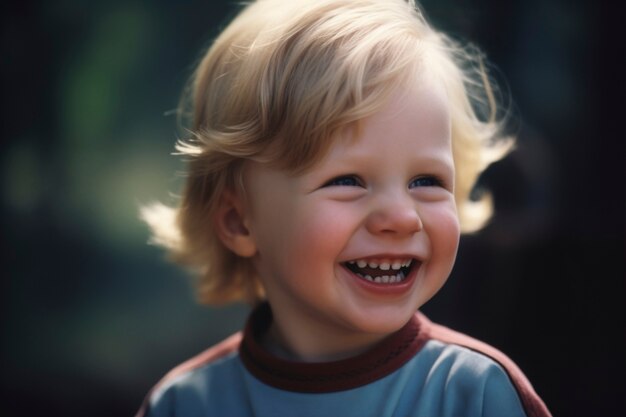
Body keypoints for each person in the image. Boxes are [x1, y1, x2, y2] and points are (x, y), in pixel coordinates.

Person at [136, 0, 552, 416]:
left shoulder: (472, 395)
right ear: (238, 222)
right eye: (347, 181)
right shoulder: (183, 404)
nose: (403, 218)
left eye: (427, 181)